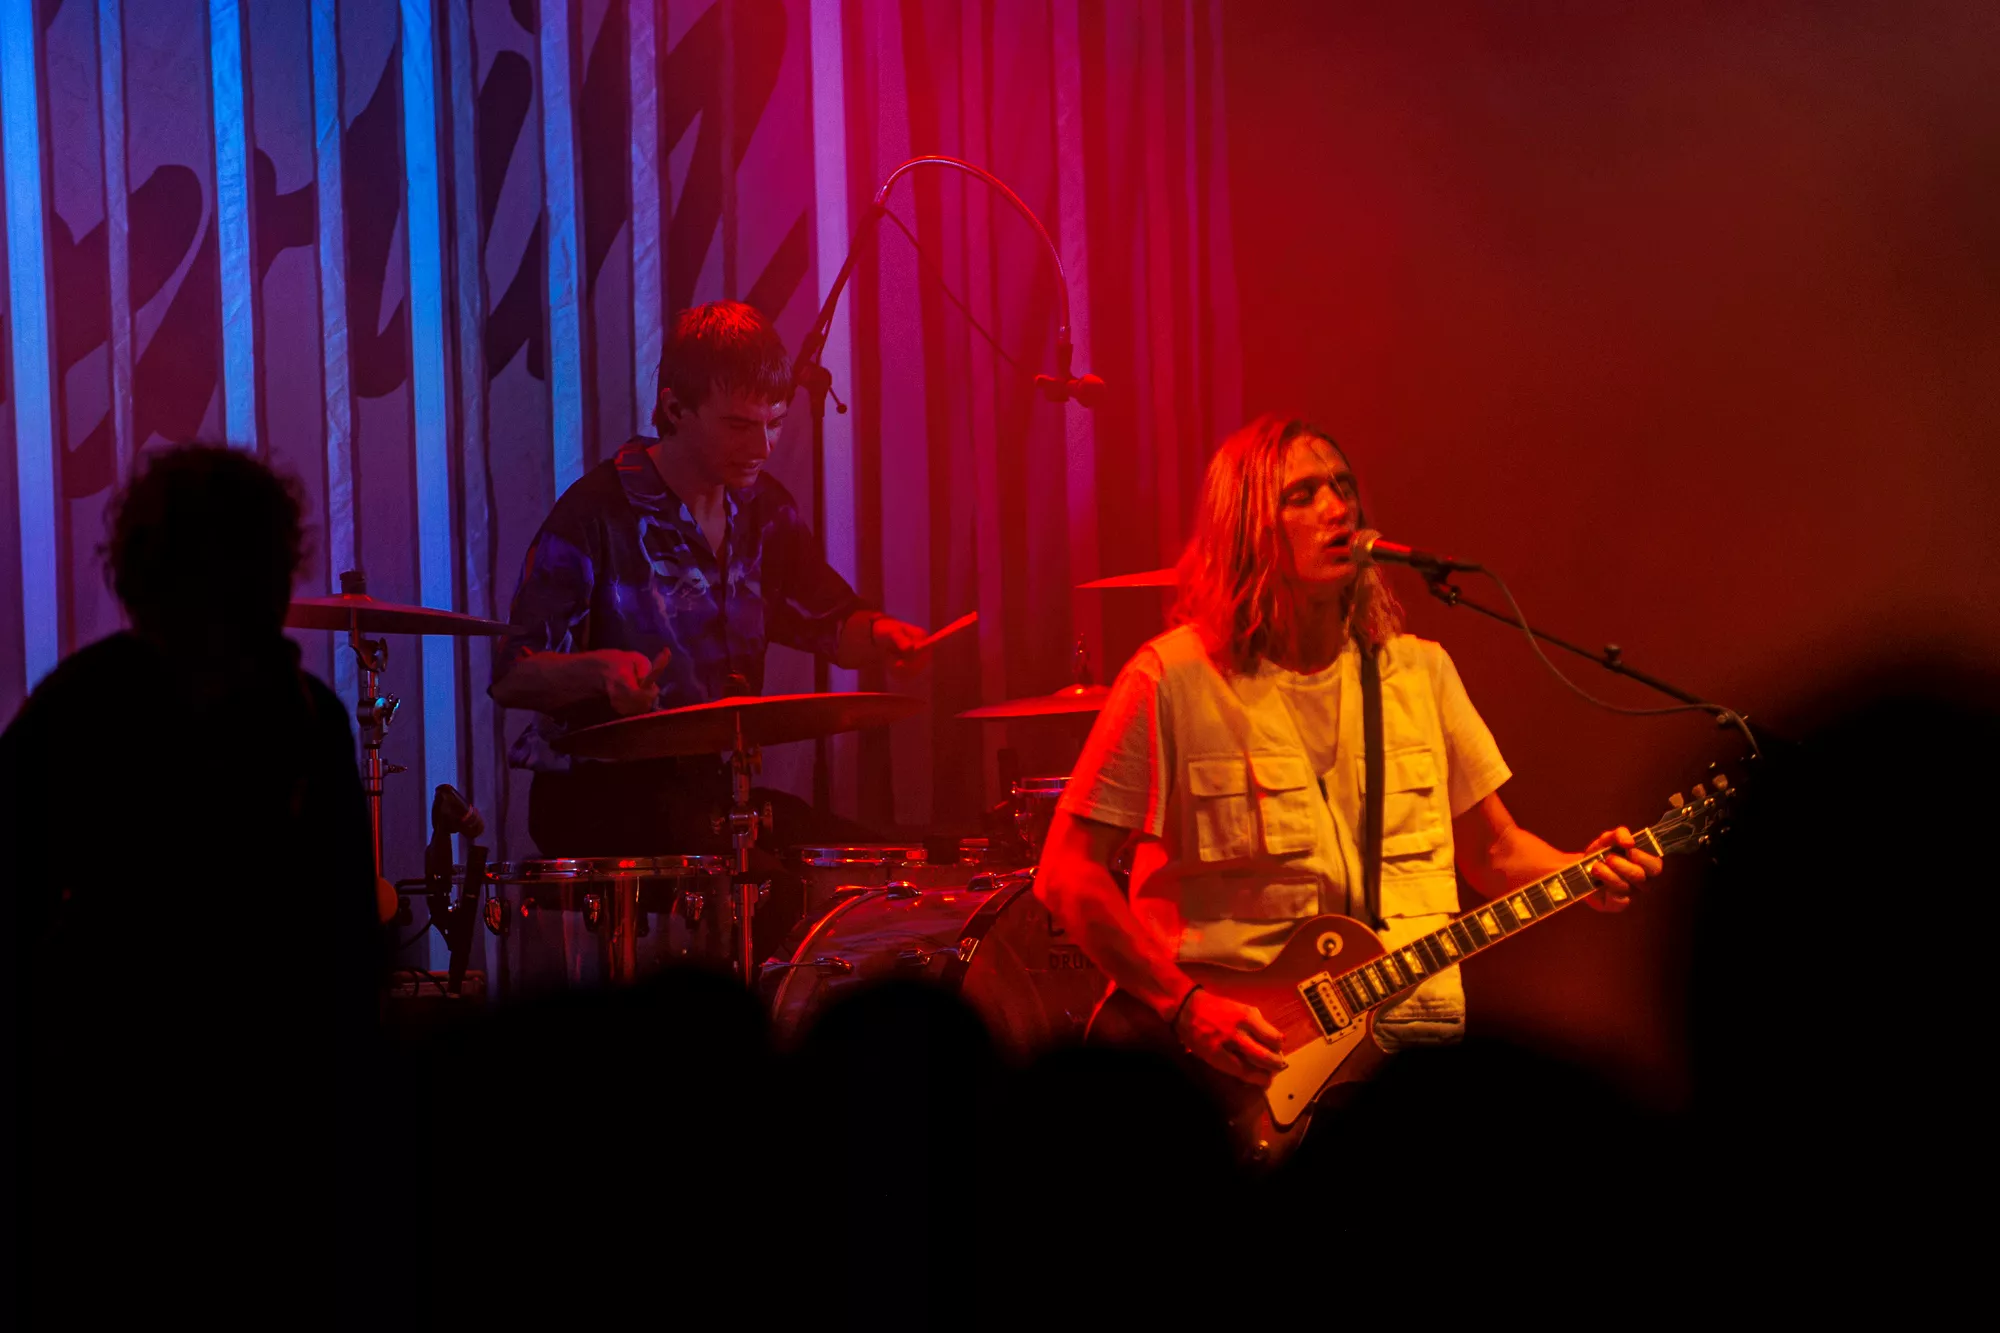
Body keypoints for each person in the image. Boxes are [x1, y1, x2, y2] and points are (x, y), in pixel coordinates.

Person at [1034, 414, 1663, 1086]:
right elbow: (1067, 875)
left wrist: (1580, 869)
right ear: (1245, 526)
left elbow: (1495, 851)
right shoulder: (1174, 679)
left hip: (1409, 1055)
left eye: (1344, 486)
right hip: (1228, 1073)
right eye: (1301, 495)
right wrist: (1184, 1005)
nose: (1337, 508)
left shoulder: (1419, 673)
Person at [1, 443, 381, 1318]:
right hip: (272, 1140)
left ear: (140, 572)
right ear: (275, 572)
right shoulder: (307, 719)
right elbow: (347, 958)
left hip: (100, 1134)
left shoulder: (80, 704)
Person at [492, 301, 930, 858]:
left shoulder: (765, 511)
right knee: (759, 874)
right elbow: (513, 676)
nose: (762, 448)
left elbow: (831, 622)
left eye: (775, 423)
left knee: (881, 865)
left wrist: (884, 633)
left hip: (714, 792)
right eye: (739, 426)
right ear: (675, 408)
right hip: (598, 800)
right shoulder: (594, 514)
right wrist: (599, 671)